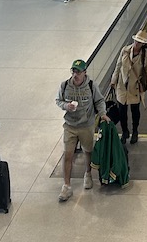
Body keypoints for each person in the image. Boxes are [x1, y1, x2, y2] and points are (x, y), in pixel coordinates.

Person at [54, 60, 109, 202]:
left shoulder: (91, 86)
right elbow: (58, 100)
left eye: (78, 71)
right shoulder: (65, 85)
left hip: (86, 125)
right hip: (70, 126)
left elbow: (99, 101)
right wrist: (66, 106)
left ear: (85, 72)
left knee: (88, 152)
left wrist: (102, 114)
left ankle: (88, 174)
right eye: (73, 71)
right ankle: (66, 186)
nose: (75, 74)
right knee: (68, 155)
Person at [111, 31, 147, 144]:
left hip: (135, 86)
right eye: (136, 41)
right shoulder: (125, 50)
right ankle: (125, 131)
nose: (137, 43)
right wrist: (113, 80)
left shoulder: (146, 54)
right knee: (122, 110)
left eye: (140, 42)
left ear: (143, 44)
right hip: (122, 85)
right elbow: (118, 65)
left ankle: (135, 131)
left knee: (135, 110)